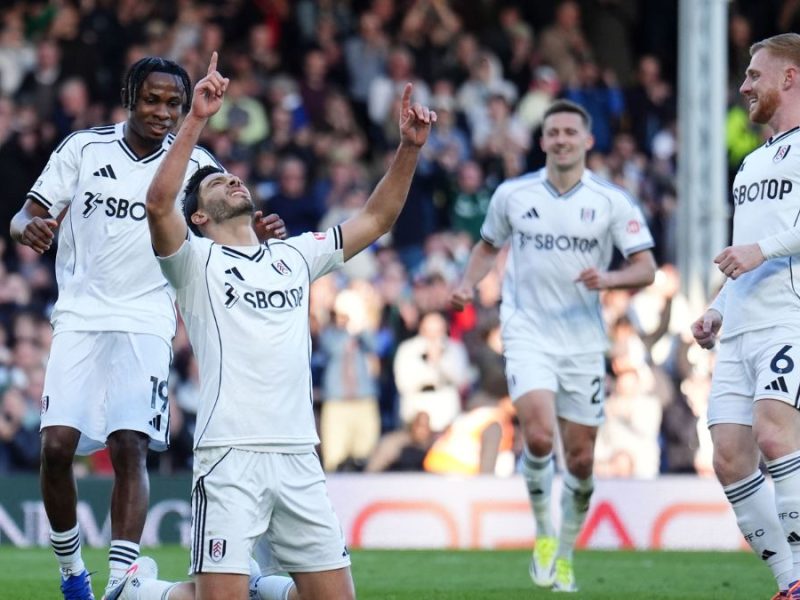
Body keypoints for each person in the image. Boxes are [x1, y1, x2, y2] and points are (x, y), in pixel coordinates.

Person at [110, 53, 434, 600]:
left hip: (298, 453)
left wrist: (408, 149)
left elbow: (376, 219)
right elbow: (158, 201)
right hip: (230, 453)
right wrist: (196, 119)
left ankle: (260, 589)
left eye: (233, 176)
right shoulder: (193, 264)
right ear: (200, 218)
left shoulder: (296, 255)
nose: (232, 180)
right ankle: (142, 592)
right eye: (215, 184)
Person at [9, 56, 285, 600]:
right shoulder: (83, 149)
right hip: (80, 316)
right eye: (153, 100)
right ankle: (72, 575)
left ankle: (121, 579)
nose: (163, 113)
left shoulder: (194, 161)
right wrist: (30, 228)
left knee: (129, 444)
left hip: (148, 319)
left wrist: (261, 228)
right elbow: (25, 212)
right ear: (129, 96)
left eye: (174, 104)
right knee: (57, 447)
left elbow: (225, 217)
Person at [450, 99, 656, 593]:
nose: (561, 139)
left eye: (570, 132)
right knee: (539, 438)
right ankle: (544, 535)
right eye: (553, 132)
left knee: (581, 461)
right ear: (542, 141)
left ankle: (564, 550)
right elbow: (487, 246)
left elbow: (645, 268)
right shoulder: (513, 195)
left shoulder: (611, 201)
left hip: (584, 342)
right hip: (527, 333)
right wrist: (467, 283)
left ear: (587, 141)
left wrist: (608, 278)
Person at [692, 33, 800, 599]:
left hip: (790, 317)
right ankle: (789, 584)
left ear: (789, 77)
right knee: (731, 456)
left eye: (754, 75)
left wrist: (766, 251)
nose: (744, 86)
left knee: (776, 435)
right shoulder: (751, 164)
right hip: (740, 325)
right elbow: (745, 248)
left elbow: (765, 247)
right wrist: (715, 309)